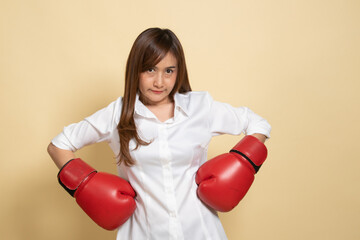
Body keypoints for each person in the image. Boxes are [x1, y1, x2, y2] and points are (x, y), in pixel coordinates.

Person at [47, 27, 271, 240]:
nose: (159, 82)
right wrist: (85, 185)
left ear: (178, 72)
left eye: (169, 71)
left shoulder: (200, 107)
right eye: (150, 69)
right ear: (136, 69)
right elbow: (59, 145)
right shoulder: (117, 114)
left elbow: (258, 124)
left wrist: (242, 163)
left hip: (201, 232)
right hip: (143, 234)